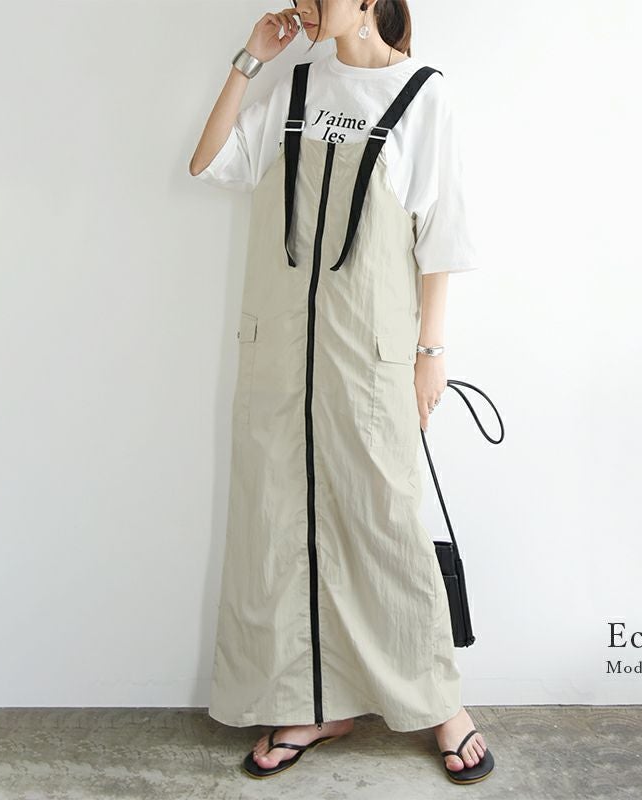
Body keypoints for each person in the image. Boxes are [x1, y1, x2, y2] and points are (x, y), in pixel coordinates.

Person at [189, 0, 494, 786]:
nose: (300, 2)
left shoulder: (423, 94)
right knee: (279, 523)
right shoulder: (297, 84)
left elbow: (442, 237)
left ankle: (439, 702)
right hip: (279, 351)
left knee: (384, 518)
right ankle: (310, 702)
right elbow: (209, 161)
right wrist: (250, 60)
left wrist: (431, 353)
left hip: (371, 353)